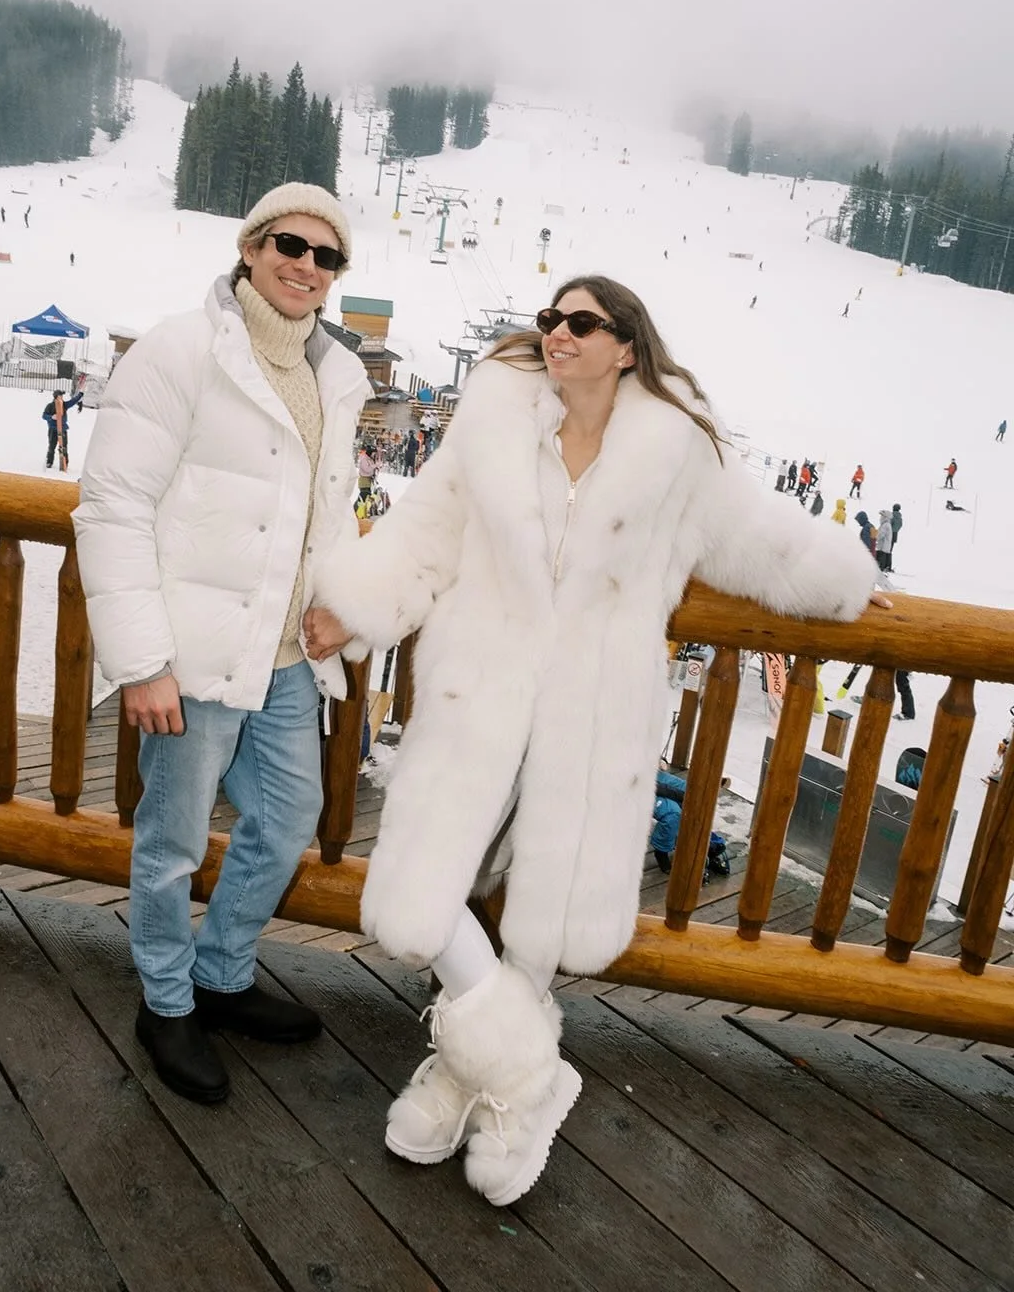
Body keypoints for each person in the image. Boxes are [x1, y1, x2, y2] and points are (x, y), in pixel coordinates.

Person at [304, 273, 883, 1208]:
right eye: (550, 319)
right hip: (480, 688)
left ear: (626, 346)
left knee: (545, 909)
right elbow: (426, 531)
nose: (558, 334)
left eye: (581, 322)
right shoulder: (494, 418)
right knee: (420, 897)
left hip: (592, 710)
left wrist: (849, 581)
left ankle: (468, 1079)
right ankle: (525, 1075)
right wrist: (355, 605)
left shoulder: (676, 451)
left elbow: (759, 539)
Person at [72, 182, 369, 1107]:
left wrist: (345, 606)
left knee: (287, 819)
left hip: (287, 656)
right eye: (289, 244)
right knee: (171, 839)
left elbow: (325, 518)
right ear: (250, 247)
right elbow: (113, 505)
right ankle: (166, 1001)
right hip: (192, 655)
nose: (306, 266)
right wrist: (142, 662)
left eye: (326, 255)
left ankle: (221, 973)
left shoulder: (336, 375)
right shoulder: (180, 350)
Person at [42, 388, 84, 470]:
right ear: (55, 397)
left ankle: (65, 463)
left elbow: (73, 401)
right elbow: (44, 416)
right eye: (60, 396)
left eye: (62, 396)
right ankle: (49, 462)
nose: (61, 397)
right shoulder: (50, 406)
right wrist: (51, 417)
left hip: (63, 429)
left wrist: (80, 394)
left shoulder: (64, 405)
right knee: (52, 446)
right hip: (53, 429)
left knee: (64, 447)